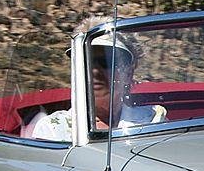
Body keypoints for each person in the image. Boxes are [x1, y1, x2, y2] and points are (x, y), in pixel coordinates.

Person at [29, 16, 166, 142]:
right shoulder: (54, 129)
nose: (95, 70)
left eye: (106, 61)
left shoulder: (153, 121)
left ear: (128, 72)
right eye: (87, 61)